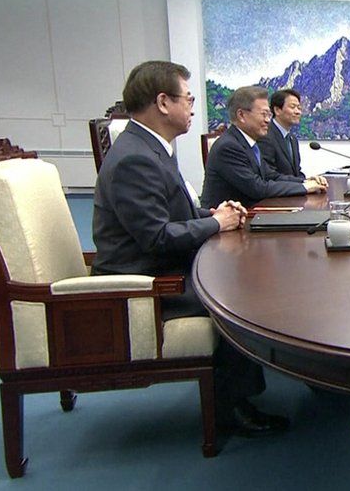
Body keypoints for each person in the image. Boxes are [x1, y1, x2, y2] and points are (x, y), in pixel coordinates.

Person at [92, 61, 289, 437]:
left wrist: (211, 213)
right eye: (190, 98)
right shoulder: (136, 156)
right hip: (145, 281)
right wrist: (216, 223)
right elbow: (156, 237)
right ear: (163, 102)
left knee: (246, 280)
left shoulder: (149, 147)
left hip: (163, 265)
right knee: (241, 297)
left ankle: (247, 389)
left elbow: (173, 212)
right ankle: (231, 407)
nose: (194, 108)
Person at [201, 86, 327, 209]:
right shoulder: (228, 146)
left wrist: (305, 182)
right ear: (241, 115)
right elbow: (257, 188)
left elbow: (271, 176)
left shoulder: (249, 143)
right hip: (225, 224)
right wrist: (305, 188)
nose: (268, 120)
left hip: (250, 215)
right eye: (264, 114)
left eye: (269, 114)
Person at [261, 88, 307, 180]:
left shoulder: (292, 139)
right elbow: (269, 175)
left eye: (299, 108)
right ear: (277, 110)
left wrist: (310, 180)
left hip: (294, 191)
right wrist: (302, 183)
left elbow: (296, 172)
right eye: (293, 107)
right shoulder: (265, 136)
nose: (298, 112)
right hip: (277, 193)